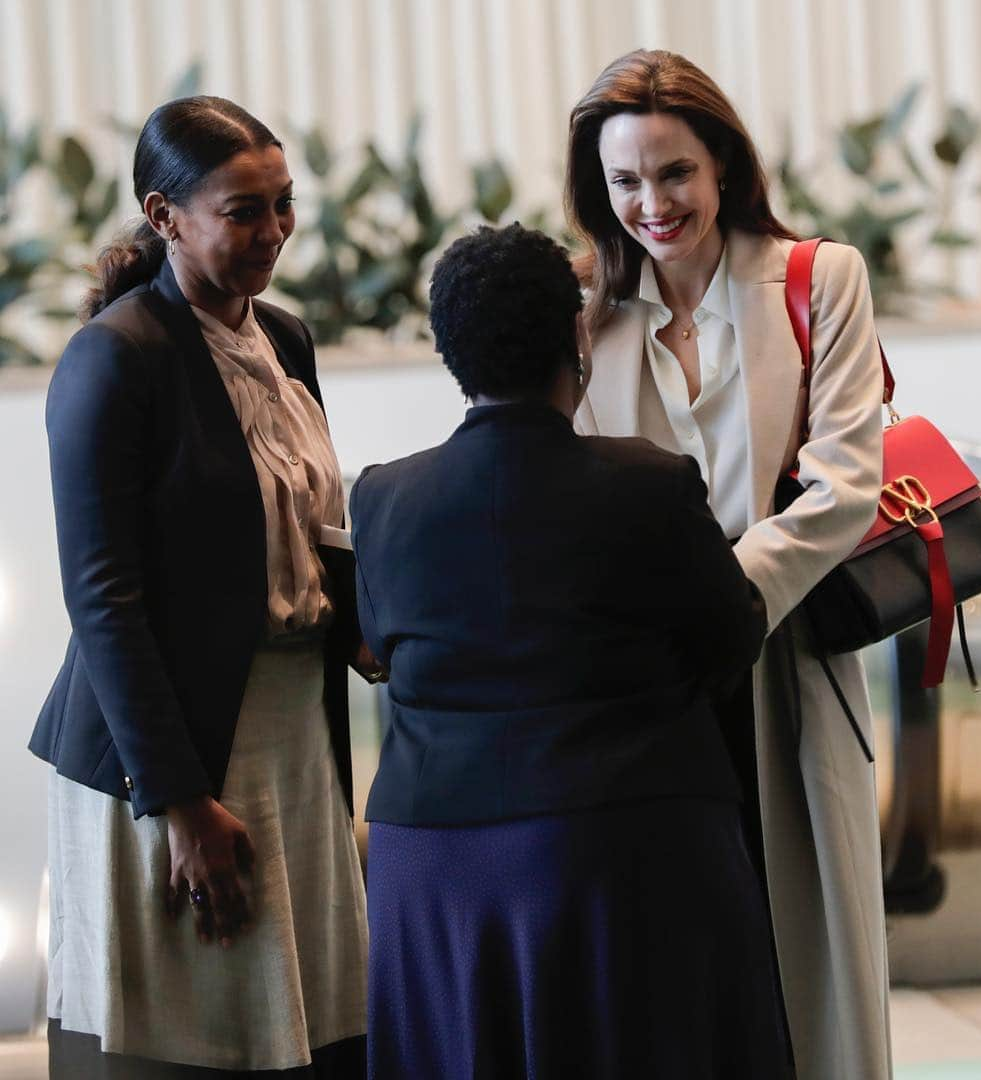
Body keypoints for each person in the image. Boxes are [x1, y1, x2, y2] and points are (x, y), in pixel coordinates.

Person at [351, 222, 789, 1079]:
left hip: (435, 869)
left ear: (448, 351)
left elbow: (385, 653)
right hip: (624, 846)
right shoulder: (649, 482)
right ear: (577, 334)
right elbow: (732, 635)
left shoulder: (383, 498)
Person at [566, 49, 891, 1080]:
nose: (652, 203)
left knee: (813, 973)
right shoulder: (581, 310)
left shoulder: (816, 278)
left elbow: (846, 482)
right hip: (642, 699)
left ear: (724, 169)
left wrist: (718, 607)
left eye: (675, 174)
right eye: (625, 181)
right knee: (675, 977)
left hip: (785, 659)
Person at [31, 96, 368, 1078]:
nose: (272, 233)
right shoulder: (117, 358)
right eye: (243, 211)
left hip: (291, 728)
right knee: (188, 1034)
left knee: (301, 1023)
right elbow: (103, 599)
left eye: (283, 205)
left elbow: (310, 523)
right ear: (164, 213)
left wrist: (363, 627)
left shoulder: (289, 340)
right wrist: (179, 803)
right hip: (166, 748)